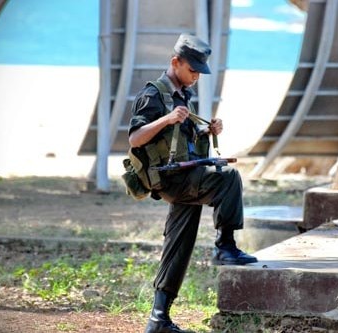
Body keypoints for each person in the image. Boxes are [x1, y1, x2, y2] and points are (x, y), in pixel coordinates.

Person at [128, 33, 257, 333]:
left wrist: (208, 130)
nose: (196, 76)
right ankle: (225, 246)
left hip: (183, 174)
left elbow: (181, 141)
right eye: (193, 70)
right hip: (170, 179)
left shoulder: (183, 94)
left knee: (179, 245)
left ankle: (158, 318)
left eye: (200, 72)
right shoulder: (153, 95)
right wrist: (167, 119)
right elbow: (135, 138)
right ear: (175, 62)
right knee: (228, 179)